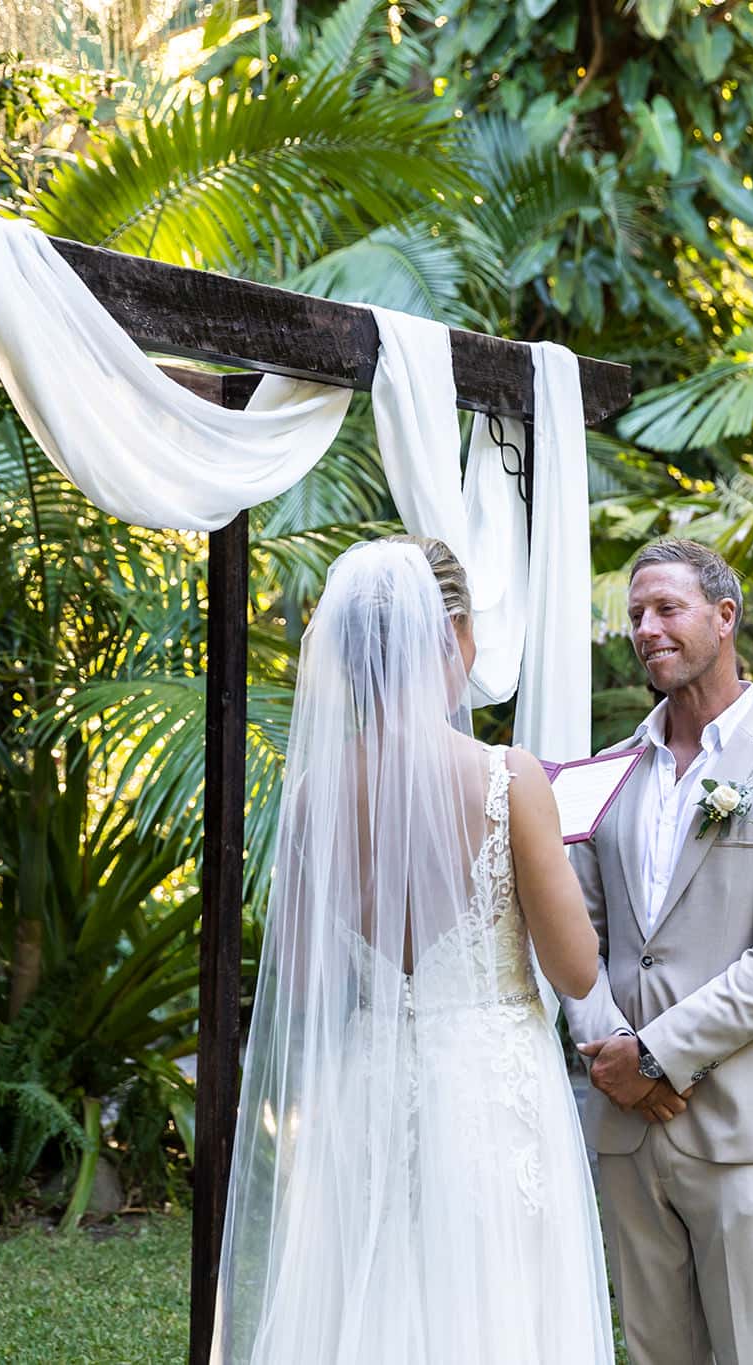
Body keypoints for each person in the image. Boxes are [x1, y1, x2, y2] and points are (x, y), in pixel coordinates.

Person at [212, 536, 613, 1364]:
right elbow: (576, 969)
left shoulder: (317, 794)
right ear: (454, 637)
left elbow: (305, 967)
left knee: (373, 1303)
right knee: (494, 1315)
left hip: (367, 1090)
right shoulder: (509, 778)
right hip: (489, 1092)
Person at [562, 537, 753, 1365]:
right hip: (626, 1121)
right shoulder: (607, 770)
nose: (647, 628)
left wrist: (655, 1055)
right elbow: (575, 934)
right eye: (635, 615)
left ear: (725, 618)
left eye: (667, 608)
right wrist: (611, 1052)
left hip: (742, 1124)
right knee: (656, 1352)